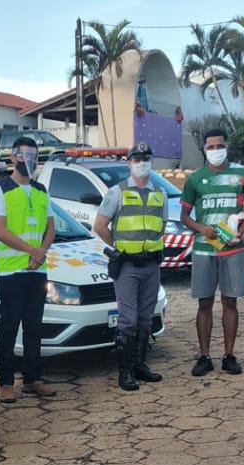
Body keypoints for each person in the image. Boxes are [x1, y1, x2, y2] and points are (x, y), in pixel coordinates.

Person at [179, 127, 244, 376]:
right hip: (204, 248)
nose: (216, 150)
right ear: (204, 150)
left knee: (230, 301)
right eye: (211, 147)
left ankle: (229, 355)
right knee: (204, 302)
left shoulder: (242, 174)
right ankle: (204, 356)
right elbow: (184, 216)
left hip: (232, 249)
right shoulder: (195, 179)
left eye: (219, 146)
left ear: (227, 147)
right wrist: (201, 227)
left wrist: (240, 231)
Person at [0, 135, 56, 403]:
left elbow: (50, 227)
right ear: (13, 156)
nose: (29, 160)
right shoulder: (0, 190)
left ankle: (32, 378)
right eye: (24, 155)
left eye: (34, 156)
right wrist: (31, 251)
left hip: (37, 271)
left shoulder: (41, 191)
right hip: (11, 272)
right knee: (9, 327)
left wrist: (41, 252)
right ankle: (6, 382)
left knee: (34, 327)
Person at [93, 141, 165, 391]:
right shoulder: (117, 192)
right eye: (137, 159)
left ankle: (139, 366)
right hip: (127, 266)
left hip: (151, 265)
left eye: (145, 159)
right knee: (128, 319)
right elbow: (100, 225)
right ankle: (124, 372)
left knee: (146, 318)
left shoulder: (160, 193)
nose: (142, 163)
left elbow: (161, 225)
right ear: (129, 163)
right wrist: (119, 246)